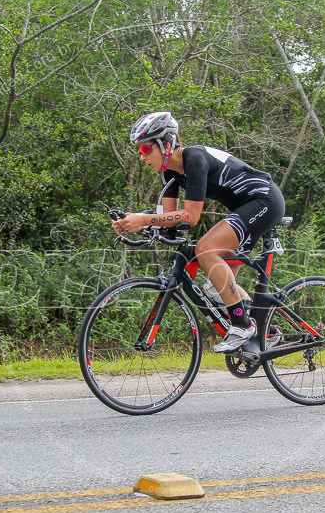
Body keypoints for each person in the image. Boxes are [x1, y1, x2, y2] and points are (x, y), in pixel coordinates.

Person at [111, 111, 285, 353]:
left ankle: (242, 325)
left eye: (146, 149)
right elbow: (168, 220)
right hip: (245, 208)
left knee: (205, 250)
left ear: (166, 144)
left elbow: (190, 217)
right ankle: (266, 331)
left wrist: (143, 219)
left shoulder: (194, 158)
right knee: (217, 286)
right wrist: (134, 222)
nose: (142, 157)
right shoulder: (169, 173)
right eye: (140, 152)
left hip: (264, 200)